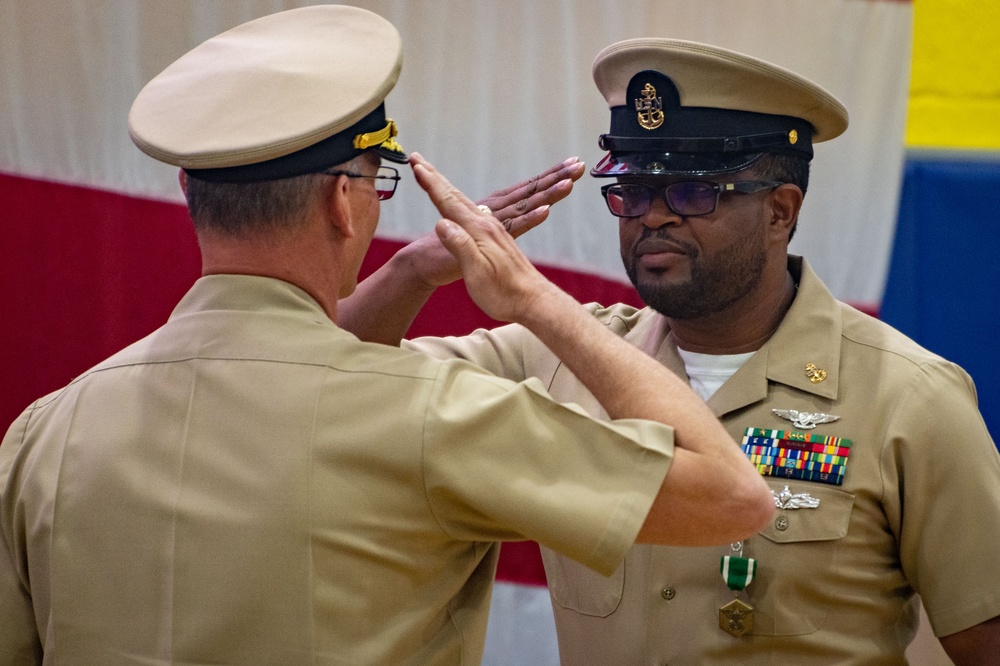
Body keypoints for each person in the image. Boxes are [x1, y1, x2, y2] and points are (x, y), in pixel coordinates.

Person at [0, 11, 776, 665]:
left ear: (188, 191)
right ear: (345, 201)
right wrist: (530, 293)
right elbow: (730, 498)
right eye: (378, 183)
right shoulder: (436, 416)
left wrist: (408, 273)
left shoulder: (45, 432)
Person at [340, 38, 1000, 664]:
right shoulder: (557, 358)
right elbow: (336, 374)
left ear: (780, 211)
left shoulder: (911, 397)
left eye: (691, 192)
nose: (653, 217)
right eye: (632, 193)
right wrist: (414, 272)